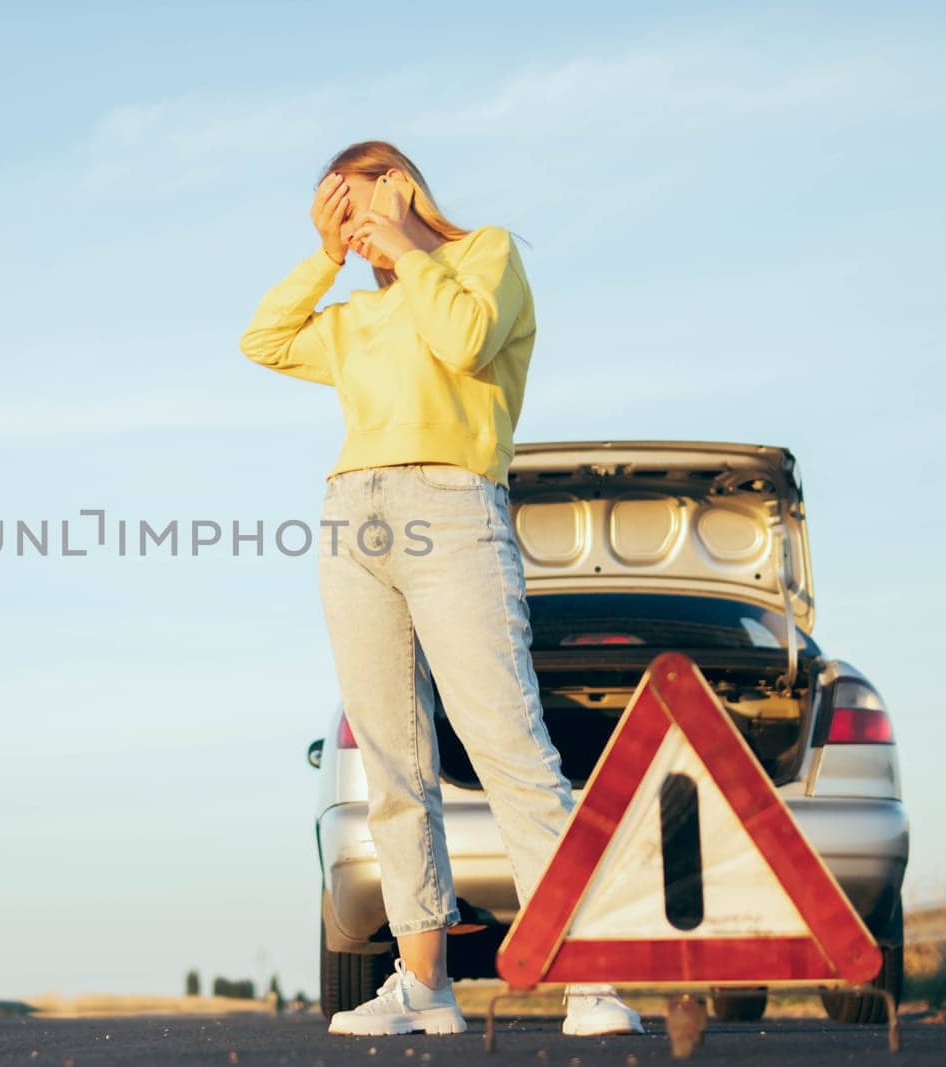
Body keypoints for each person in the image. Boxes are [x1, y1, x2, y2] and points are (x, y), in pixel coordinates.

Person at [237, 141, 645, 1039]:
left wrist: (408, 240)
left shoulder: (484, 259)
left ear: (402, 182)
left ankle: (589, 974)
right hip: (354, 521)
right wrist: (326, 255)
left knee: (510, 745)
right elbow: (261, 338)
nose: (355, 225)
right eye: (334, 212)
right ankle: (423, 983)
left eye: (358, 201)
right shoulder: (352, 319)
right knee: (392, 760)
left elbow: (464, 340)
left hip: (454, 505)